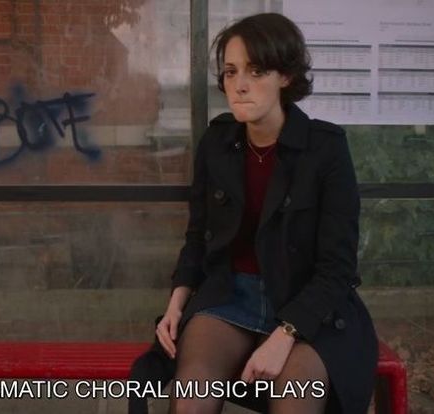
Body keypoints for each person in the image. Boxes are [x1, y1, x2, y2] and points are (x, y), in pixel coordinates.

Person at [152, 12, 378, 414]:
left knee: (295, 402)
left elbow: (338, 267)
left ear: (285, 77)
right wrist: (177, 298)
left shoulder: (325, 149)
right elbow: (198, 234)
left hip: (305, 302)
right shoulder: (217, 142)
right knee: (191, 400)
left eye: (256, 71)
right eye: (230, 71)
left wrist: (286, 332)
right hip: (228, 295)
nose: (239, 85)